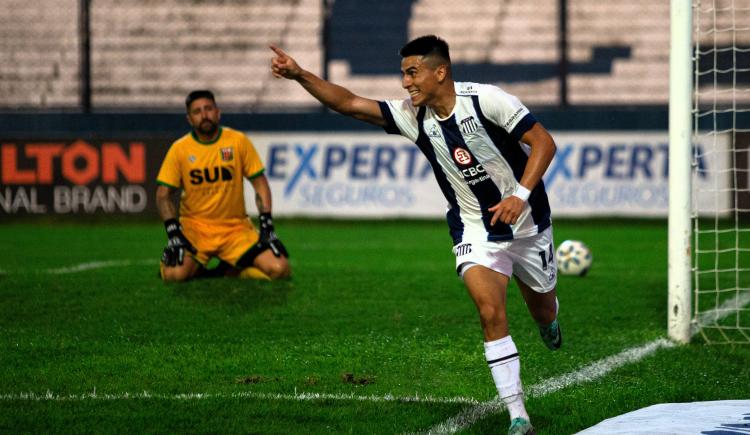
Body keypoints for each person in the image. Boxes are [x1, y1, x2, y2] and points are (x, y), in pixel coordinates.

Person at [270, 35, 560, 435]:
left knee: (542, 310)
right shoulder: (413, 116)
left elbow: (543, 142)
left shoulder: (487, 100)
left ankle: (548, 321)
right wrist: (300, 74)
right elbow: (349, 103)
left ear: (440, 72)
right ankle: (518, 416)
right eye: (403, 74)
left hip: (529, 224)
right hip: (474, 226)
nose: (406, 83)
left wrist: (520, 196)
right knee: (490, 312)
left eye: (413, 73)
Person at [156, 90, 291, 282]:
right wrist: (173, 233)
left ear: (218, 112)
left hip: (235, 229)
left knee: (280, 269)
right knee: (174, 275)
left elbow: (260, 183)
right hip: (195, 230)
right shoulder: (180, 149)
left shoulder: (237, 141)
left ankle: (231, 270)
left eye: (208, 109)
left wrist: (266, 225)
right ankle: (211, 268)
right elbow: (163, 194)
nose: (204, 115)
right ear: (189, 119)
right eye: (197, 111)